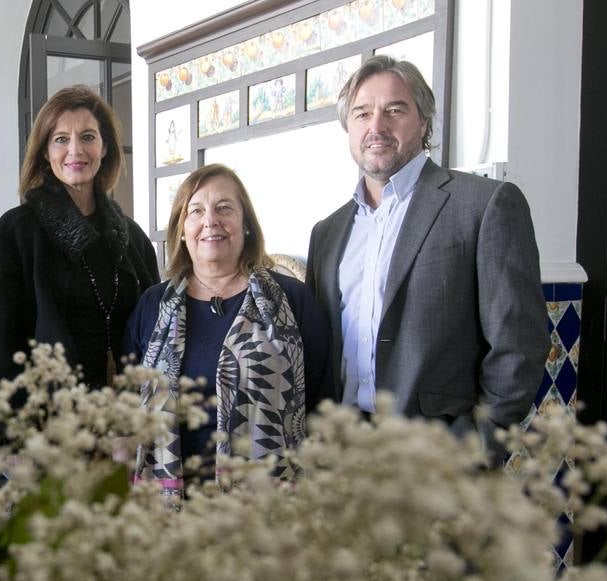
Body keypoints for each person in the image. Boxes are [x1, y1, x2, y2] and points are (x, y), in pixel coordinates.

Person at [305, 56, 546, 457]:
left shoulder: (484, 206)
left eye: (394, 110)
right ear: (349, 127)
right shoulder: (326, 233)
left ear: (424, 121)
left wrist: (475, 450)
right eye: (362, 113)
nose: (376, 127)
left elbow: (518, 348)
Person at [125, 164, 329, 494]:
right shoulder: (152, 306)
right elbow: (129, 400)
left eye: (224, 208)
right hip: (169, 510)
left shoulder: (292, 299)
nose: (211, 221)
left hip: (265, 506)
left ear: (245, 224)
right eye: (196, 211)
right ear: (181, 228)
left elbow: (322, 397)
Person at [0, 85, 159, 391]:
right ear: (45, 152)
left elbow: (157, 334)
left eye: (88, 137)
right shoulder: (16, 232)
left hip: (126, 418)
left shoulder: (133, 237)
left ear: (105, 147)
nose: (75, 150)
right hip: (50, 424)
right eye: (61, 139)